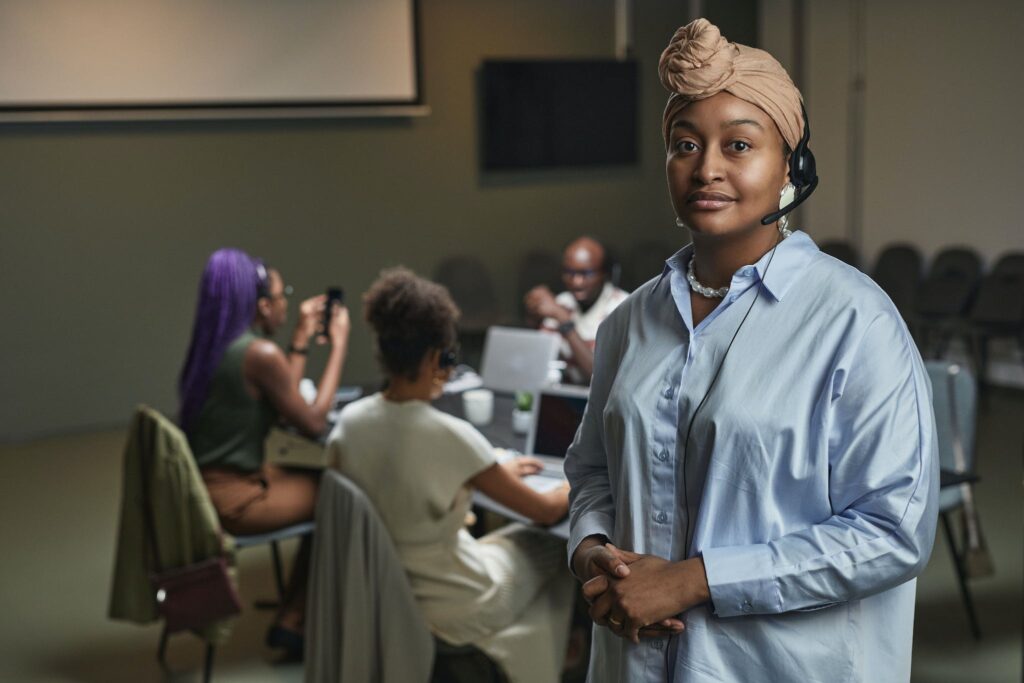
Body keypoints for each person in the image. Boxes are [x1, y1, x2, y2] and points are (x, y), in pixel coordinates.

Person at [565, 19, 938, 682]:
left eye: (738, 143)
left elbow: (893, 529)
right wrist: (593, 550)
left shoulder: (856, 321)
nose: (707, 167)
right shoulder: (627, 322)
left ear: (791, 167)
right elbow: (593, 467)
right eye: (686, 144)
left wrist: (698, 579)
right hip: (633, 663)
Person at [328, 267, 574, 683]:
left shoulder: (349, 423)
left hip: (389, 596)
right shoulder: (450, 437)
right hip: (459, 603)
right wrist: (583, 475)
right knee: (555, 547)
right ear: (431, 358)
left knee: (506, 539)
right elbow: (547, 511)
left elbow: (401, 481)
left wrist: (492, 472)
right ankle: (564, 660)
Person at [177, 247, 350, 656]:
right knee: (340, 494)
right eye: (280, 294)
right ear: (261, 306)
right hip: (234, 500)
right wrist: (339, 345)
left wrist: (300, 342)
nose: (286, 302)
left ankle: (296, 611)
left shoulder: (219, 347)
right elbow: (310, 423)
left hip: (203, 489)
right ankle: (297, 617)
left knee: (324, 485)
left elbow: (278, 403)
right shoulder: (260, 354)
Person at [524, 236, 628, 384]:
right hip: (567, 396)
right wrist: (533, 318)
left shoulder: (622, 307)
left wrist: (564, 321)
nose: (576, 282)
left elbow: (598, 377)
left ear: (605, 274)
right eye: (569, 273)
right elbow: (536, 363)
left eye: (586, 274)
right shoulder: (563, 302)